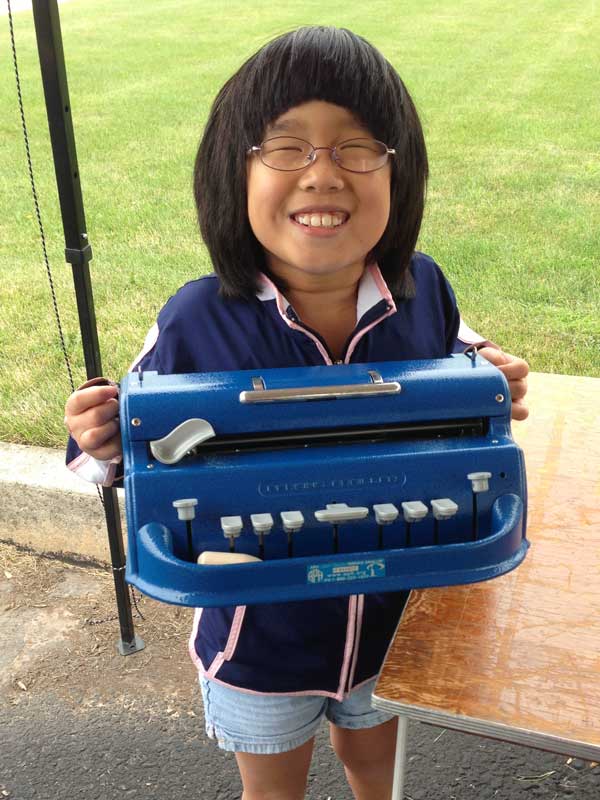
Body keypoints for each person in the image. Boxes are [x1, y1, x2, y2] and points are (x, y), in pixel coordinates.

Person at [64, 27, 529, 800]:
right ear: (233, 171)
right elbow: (111, 455)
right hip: (259, 643)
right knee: (273, 790)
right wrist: (98, 437)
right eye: (286, 148)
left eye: (357, 147)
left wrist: (493, 370)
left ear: (397, 171)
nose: (323, 175)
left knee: (377, 771)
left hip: (393, 621)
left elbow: (461, 348)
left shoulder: (423, 287)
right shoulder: (194, 320)